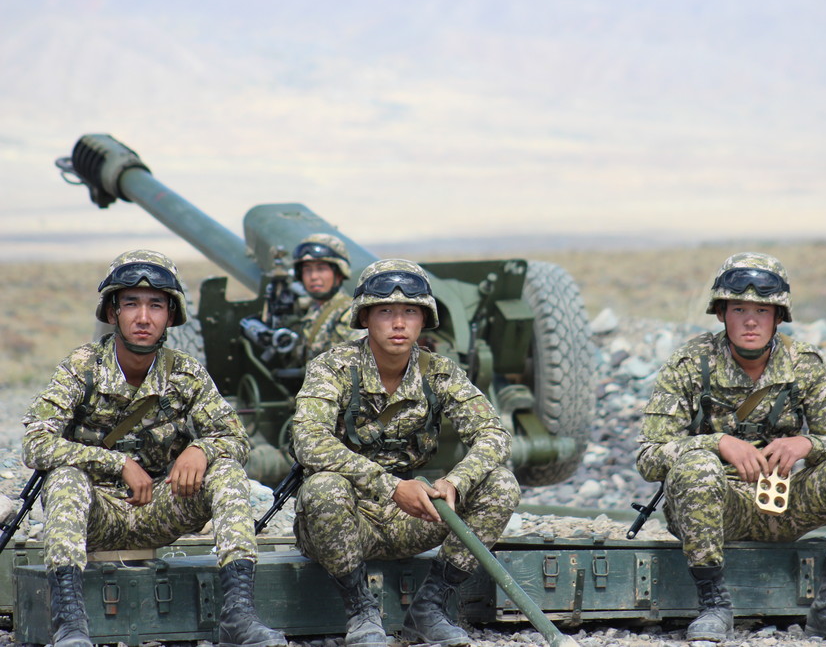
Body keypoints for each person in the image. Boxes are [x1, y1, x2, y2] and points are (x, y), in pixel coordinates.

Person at [21, 250, 286, 647]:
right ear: (112, 312)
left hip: (161, 507)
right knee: (64, 478)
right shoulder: (82, 366)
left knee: (227, 470)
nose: (143, 317)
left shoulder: (185, 373)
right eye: (131, 304)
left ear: (170, 315)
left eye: (156, 306)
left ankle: (239, 615)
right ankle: (70, 624)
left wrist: (201, 450)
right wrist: (116, 462)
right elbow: (35, 443)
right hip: (95, 511)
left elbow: (235, 438)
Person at [636, 252, 826, 644]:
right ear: (722, 313)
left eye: (762, 310)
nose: (750, 321)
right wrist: (717, 443)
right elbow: (649, 456)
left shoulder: (804, 363)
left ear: (778, 317)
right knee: (697, 467)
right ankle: (714, 607)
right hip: (718, 507)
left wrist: (806, 443)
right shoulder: (689, 363)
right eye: (739, 309)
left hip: (786, 502)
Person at [291, 258, 520, 647]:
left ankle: (429, 609)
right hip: (345, 520)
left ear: (423, 319)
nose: (398, 324)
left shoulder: (439, 372)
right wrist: (392, 486)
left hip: (412, 518)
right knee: (323, 487)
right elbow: (308, 439)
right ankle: (361, 612)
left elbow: (493, 434)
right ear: (365, 317)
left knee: (501, 484)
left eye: (410, 312)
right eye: (385, 312)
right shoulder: (332, 368)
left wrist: (456, 481)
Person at [291, 233, 363, 362]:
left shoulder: (350, 315)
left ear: (339, 274)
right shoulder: (308, 310)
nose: (313, 277)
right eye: (307, 270)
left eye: (321, 269)